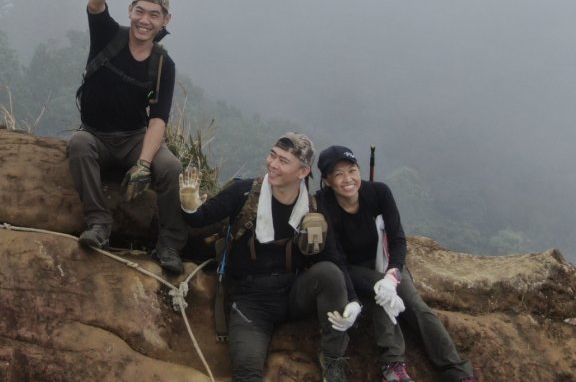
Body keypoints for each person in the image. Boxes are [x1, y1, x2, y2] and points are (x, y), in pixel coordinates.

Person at [180, 133, 361, 382]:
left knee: (329, 272)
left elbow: (334, 256)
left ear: (303, 172)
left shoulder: (312, 207)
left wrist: (352, 300)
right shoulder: (244, 194)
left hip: (293, 291)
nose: (273, 164)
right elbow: (201, 217)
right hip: (251, 301)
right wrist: (189, 206)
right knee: (247, 372)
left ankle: (332, 357)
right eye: (273, 155)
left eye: (284, 161)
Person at [67, 0, 188, 275]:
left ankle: (169, 244)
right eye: (140, 11)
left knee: (171, 169)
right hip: (96, 135)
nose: (144, 20)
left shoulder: (163, 63)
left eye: (154, 15)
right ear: (130, 11)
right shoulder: (108, 36)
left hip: (135, 138)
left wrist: (145, 164)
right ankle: (99, 224)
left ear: (165, 21)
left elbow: (158, 119)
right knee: (78, 145)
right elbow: (94, 4)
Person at [315, 145, 479, 382]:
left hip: (383, 262)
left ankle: (458, 371)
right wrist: (352, 298)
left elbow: (398, 240)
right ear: (327, 181)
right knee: (382, 293)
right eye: (338, 174)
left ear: (359, 170)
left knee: (415, 305)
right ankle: (393, 366)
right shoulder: (323, 205)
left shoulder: (378, 193)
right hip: (348, 269)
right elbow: (335, 257)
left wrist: (393, 275)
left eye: (352, 170)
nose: (347, 179)